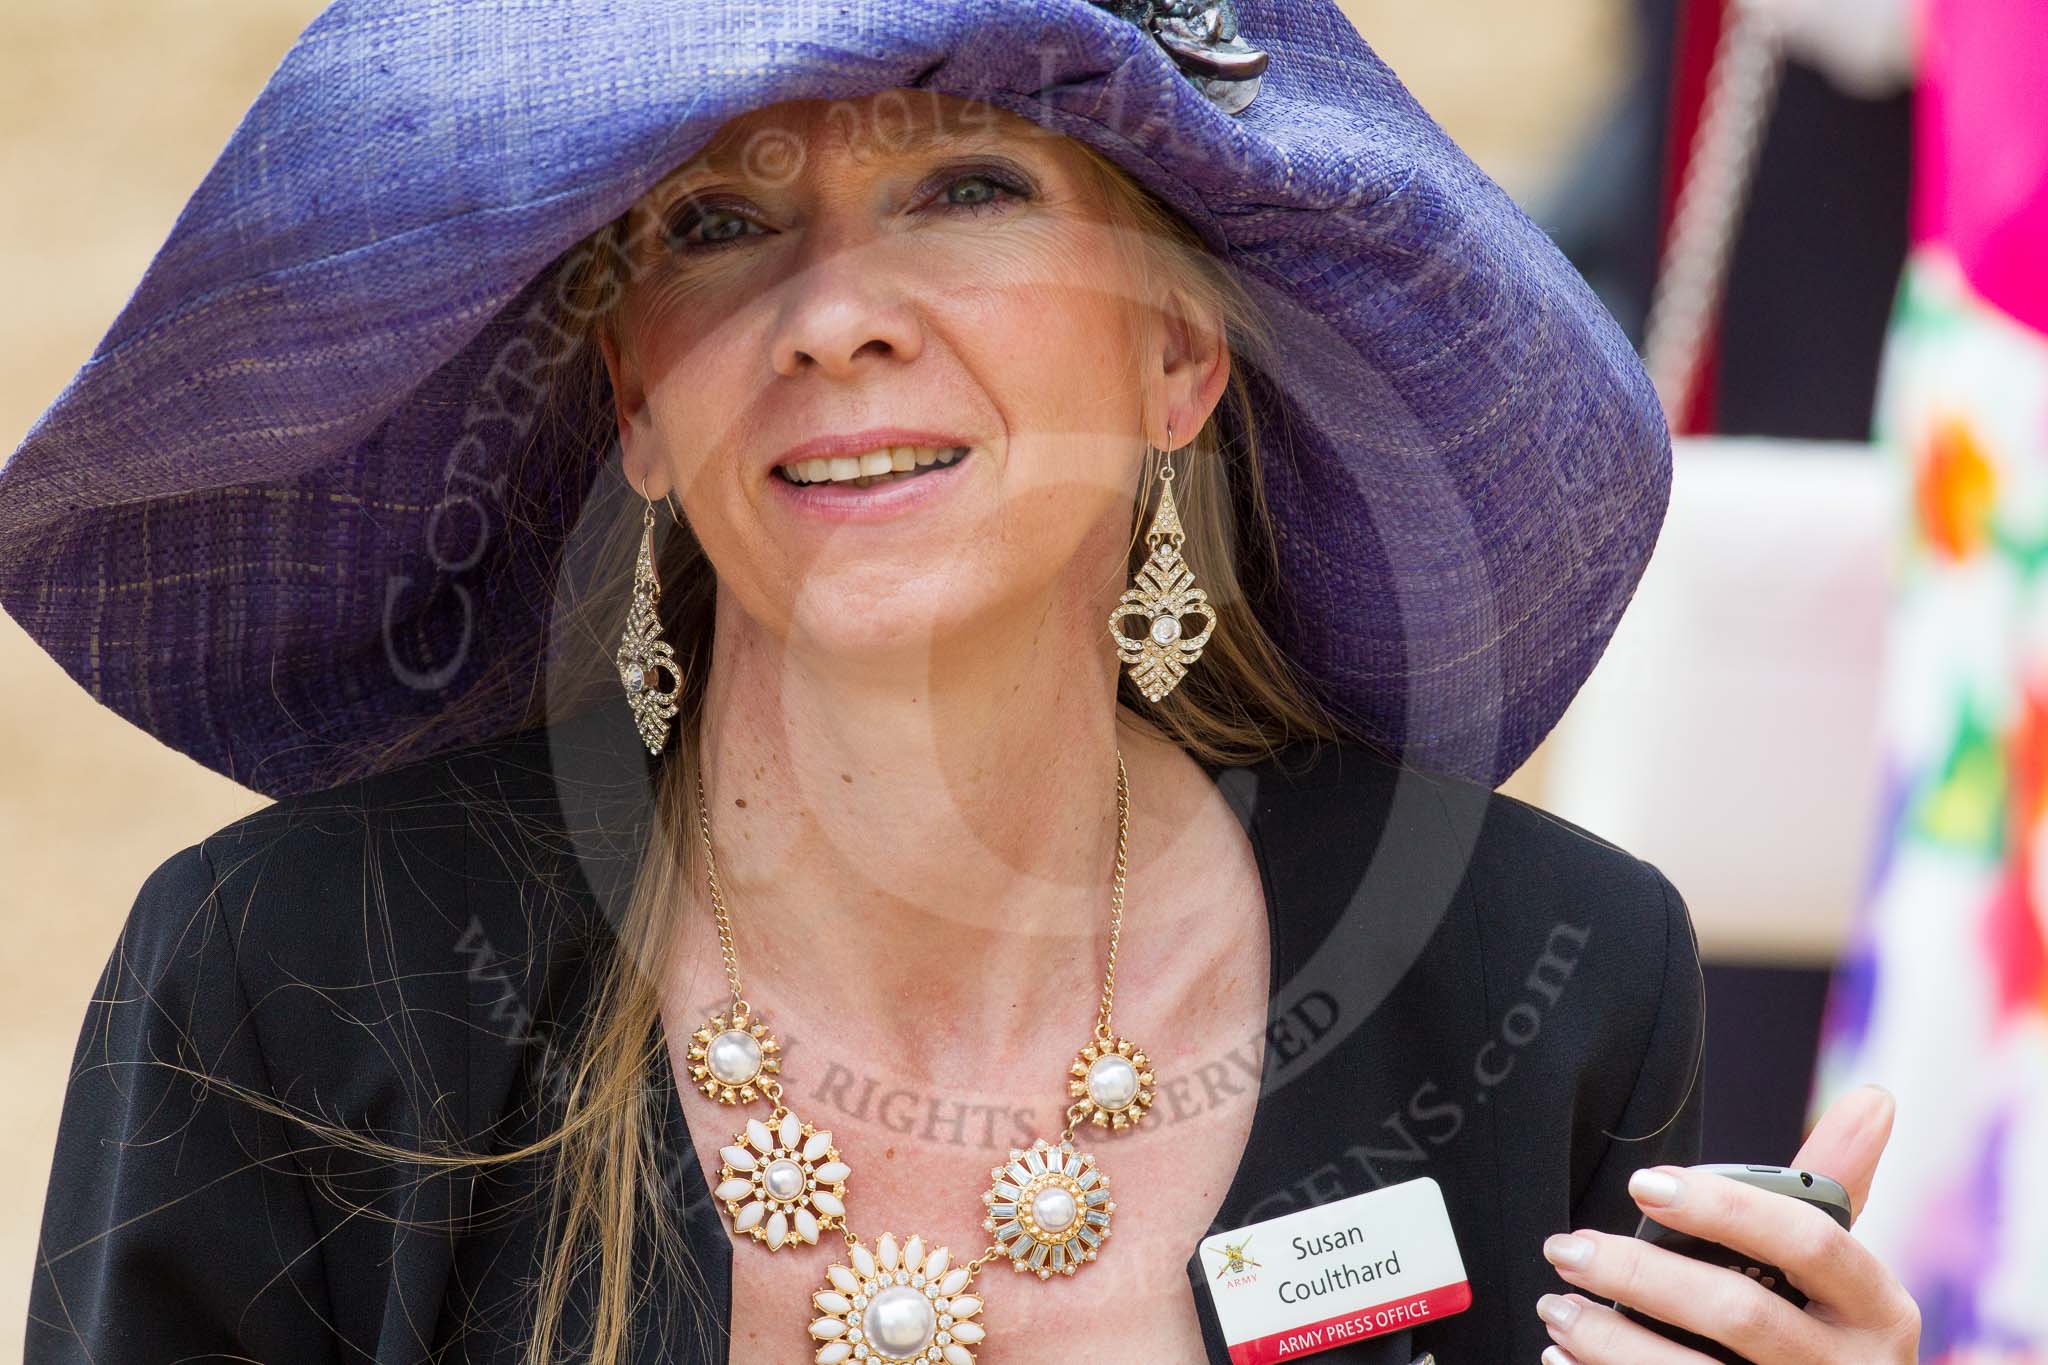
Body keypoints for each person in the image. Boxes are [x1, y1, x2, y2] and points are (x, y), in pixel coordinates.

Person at [3, 2, 1920, 1362]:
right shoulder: (289, 983)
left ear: (1186, 357)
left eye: (970, 188)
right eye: (722, 225)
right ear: (636, 402)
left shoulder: (1547, 976)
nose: (835, 318)